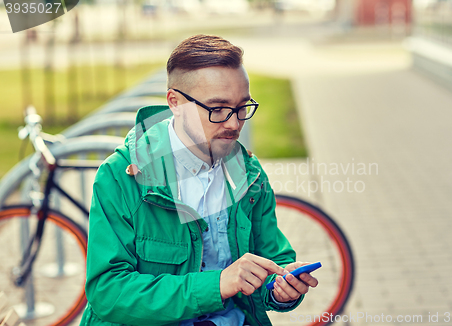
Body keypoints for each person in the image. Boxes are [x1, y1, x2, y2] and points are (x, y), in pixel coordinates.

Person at [79, 34, 318, 326]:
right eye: (217, 110)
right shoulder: (120, 176)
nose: (234, 123)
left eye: (243, 107)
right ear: (175, 102)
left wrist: (281, 291)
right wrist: (216, 285)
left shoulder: (250, 173)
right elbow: (108, 292)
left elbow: (273, 259)